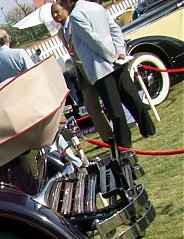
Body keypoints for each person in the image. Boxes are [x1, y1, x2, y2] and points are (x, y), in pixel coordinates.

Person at [60, 0, 155, 149]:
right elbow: (115, 30)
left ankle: (124, 143)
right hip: (116, 61)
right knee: (131, 97)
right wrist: (119, 52)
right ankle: (148, 128)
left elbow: (92, 40)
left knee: (114, 108)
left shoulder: (77, 15)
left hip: (100, 67)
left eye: (62, 3)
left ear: (69, 2)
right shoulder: (96, 7)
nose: (62, 7)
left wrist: (112, 56)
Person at [51, 1, 114, 141]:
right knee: (91, 106)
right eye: (53, 14)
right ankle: (108, 137)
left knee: (110, 101)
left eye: (57, 11)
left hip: (95, 67)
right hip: (82, 74)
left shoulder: (76, 21)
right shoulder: (61, 33)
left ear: (66, 9)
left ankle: (121, 130)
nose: (55, 15)